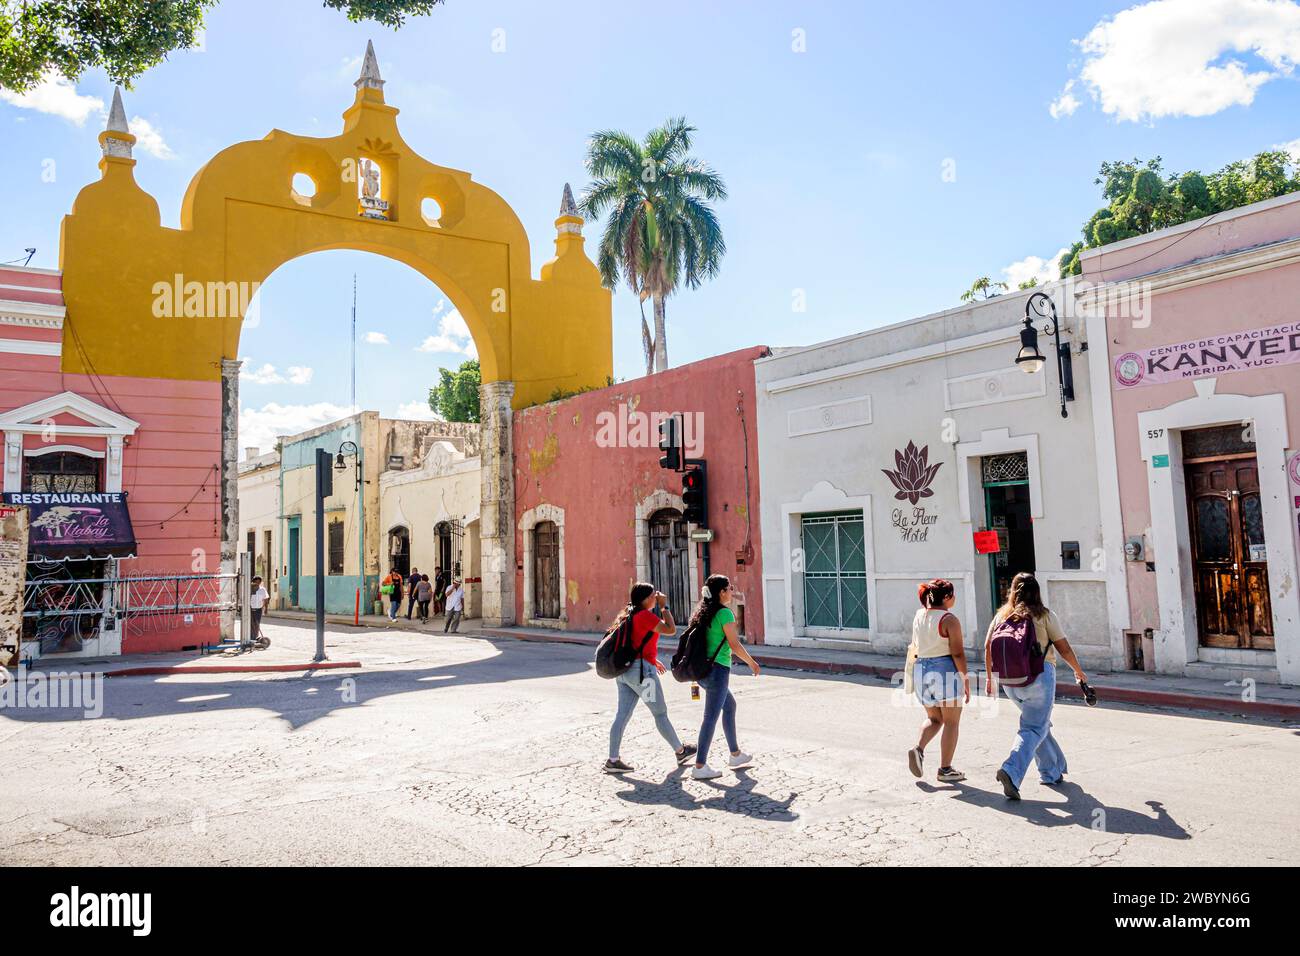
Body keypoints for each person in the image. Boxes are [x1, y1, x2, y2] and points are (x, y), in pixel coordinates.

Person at [984, 572, 1089, 800]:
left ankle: (1051, 771)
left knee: (1039, 724)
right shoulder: (1044, 615)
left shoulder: (1002, 615)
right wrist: (1078, 671)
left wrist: (990, 679)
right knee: (1033, 728)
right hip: (1039, 676)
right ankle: (1011, 771)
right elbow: (1064, 648)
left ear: (1013, 591)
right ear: (1037, 591)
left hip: (1009, 681)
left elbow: (987, 646)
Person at [605, 582, 697, 774]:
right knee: (660, 713)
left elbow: (636, 642)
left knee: (622, 715)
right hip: (642, 674)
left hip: (625, 672)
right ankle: (680, 751)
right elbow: (671, 630)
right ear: (646, 599)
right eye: (654, 596)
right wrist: (665, 607)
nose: (656, 599)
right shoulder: (645, 616)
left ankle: (613, 759)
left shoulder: (628, 614)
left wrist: (652, 660)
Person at [690, 574, 761, 781]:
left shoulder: (703, 611)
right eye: (729, 588)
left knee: (729, 706)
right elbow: (734, 645)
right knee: (710, 718)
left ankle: (735, 755)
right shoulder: (725, 614)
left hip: (702, 671)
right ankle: (700, 765)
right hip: (717, 671)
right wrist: (752, 662)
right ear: (721, 592)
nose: (732, 591)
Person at [905, 578, 968, 783]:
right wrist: (965, 679)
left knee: (934, 719)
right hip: (944, 670)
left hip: (921, 669)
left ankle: (919, 749)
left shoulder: (919, 616)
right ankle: (945, 769)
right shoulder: (949, 619)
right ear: (948, 597)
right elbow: (957, 653)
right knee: (951, 722)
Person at [249, 575, 269, 644]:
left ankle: (255, 637)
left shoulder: (262, 589)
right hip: (250, 609)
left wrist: (266, 609)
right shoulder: (249, 589)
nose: (257, 583)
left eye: (259, 582)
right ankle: (250, 637)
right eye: (256, 581)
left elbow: (266, 599)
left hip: (258, 609)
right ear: (253, 582)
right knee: (251, 624)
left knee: (257, 624)